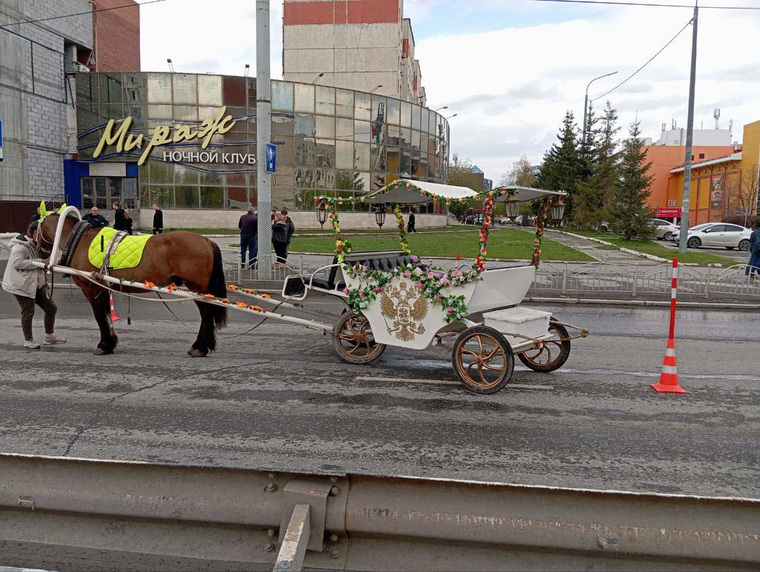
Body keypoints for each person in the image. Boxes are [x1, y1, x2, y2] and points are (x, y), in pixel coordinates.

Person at [1, 222, 66, 349]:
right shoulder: (19, 247)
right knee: (28, 312)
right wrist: (40, 262)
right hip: (22, 285)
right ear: (35, 233)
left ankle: (49, 336)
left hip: (36, 283)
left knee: (51, 308)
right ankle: (28, 340)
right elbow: (17, 263)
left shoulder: (35, 244)